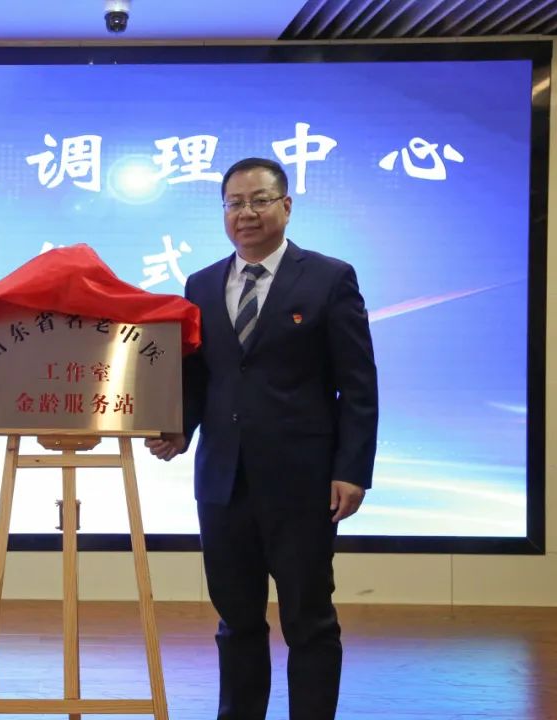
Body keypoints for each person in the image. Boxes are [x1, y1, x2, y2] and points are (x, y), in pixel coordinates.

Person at [146, 158, 378, 719]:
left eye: (259, 200)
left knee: (308, 619)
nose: (245, 213)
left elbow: (357, 384)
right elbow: (201, 377)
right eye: (234, 203)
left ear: (286, 206)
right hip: (223, 482)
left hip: (303, 483)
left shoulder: (329, 278)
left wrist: (352, 470)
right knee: (236, 618)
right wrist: (179, 428)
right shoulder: (202, 284)